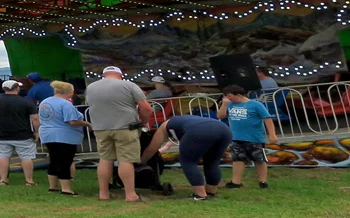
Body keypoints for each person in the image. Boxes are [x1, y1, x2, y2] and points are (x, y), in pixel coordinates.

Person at [85, 66, 152, 202]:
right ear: (120, 75)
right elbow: (146, 108)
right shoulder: (129, 85)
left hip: (100, 128)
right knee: (126, 160)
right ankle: (130, 194)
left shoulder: (91, 87)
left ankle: (103, 193)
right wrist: (143, 122)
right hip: (125, 127)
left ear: (103, 75)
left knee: (105, 159)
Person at [142, 115, 233, 201]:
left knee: (188, 162)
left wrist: (142, 161)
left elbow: (152, 149)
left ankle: (200, 195)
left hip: (199, 130)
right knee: (212, 162)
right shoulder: (183, 121)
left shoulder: (163, 127)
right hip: (224, 129)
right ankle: (210, 192)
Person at [218, 84, 278, 189]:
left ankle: (262, 181)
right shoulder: (230, 105)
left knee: (259, 159)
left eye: (230, 96)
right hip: (236, 137)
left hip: (254, 137)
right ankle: (236, 182)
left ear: (239, 95)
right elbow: (220, 116)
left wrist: (272, 134)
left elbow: (267, 119)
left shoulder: (255, 105)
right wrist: (224, 105)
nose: (228, 98)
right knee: (238, 159)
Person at [38, 81, 91, 195]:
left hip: (47, 134)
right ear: (69, 92)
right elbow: (71, 121)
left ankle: (53, 186)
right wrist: (87, 124)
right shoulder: (65, 104)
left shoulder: (45, 102)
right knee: (65, 161)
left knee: (54, 160)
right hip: (64, 136)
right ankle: (66, 189)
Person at [0, 80, 40, 187]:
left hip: (2, 134)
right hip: (23, 134)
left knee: (3, 156)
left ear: (4, 89)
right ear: (17, 88)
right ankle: (29, 180)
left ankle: (3, 180)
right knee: (26, 157)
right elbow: (35, 118)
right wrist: (36, 131)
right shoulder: (26, 101)